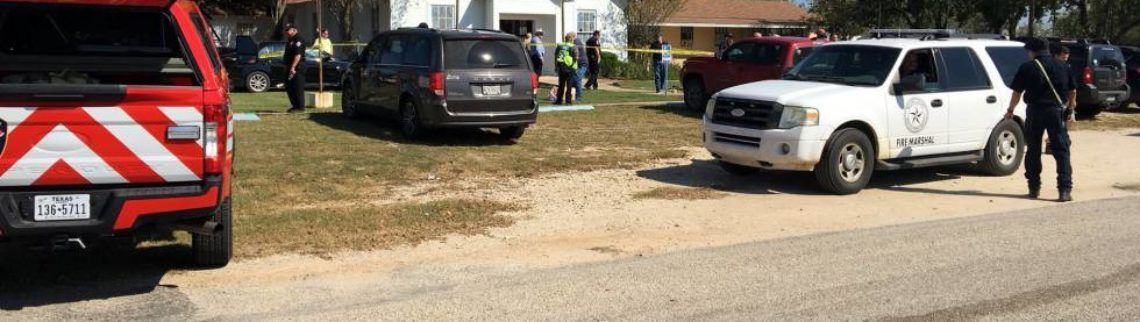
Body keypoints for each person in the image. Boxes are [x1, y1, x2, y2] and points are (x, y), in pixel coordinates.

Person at [1005, 37, 1077, 202]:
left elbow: (1017, 92)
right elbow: (1073, 90)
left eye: (1029, 51)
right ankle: (1064, 190)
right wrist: (1071, 108)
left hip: (1035, 112)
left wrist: (1010, 110)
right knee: (1062, 151)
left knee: (1033, 150)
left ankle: (1034, 187)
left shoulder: (1027, 67)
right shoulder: (1063, 66)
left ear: (1033, 51)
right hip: (1056, 112)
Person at [283, 24, 307, 113]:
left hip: (298, 67)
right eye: (286, 30)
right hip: (289, 67)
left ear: (294, 30)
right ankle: (295, 106)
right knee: (289, 86)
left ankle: (300, 107)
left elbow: (298, 55)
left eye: (288, 30)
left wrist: (293, 67)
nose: (286, 32)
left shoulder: (298, 39)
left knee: (297, 87)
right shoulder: (290, 40)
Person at [553, 33, 578, 105]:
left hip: (561, 66)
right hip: (570, 67)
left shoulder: (560, 45)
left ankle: (559, 101)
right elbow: (576, 57)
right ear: (571, 39)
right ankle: (568, 101)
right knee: (569, 85)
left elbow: (556, 56)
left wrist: (556, 66)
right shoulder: (573, 46)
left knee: (561, 85)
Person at [572, 32, 587, 100]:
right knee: (577, 79)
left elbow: (575, 53)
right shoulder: (576, 41)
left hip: (583, 64)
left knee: (577, 78)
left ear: (573, 37)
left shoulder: (576, 41)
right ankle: (576, 95)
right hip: (579, 64)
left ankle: (578, 96)